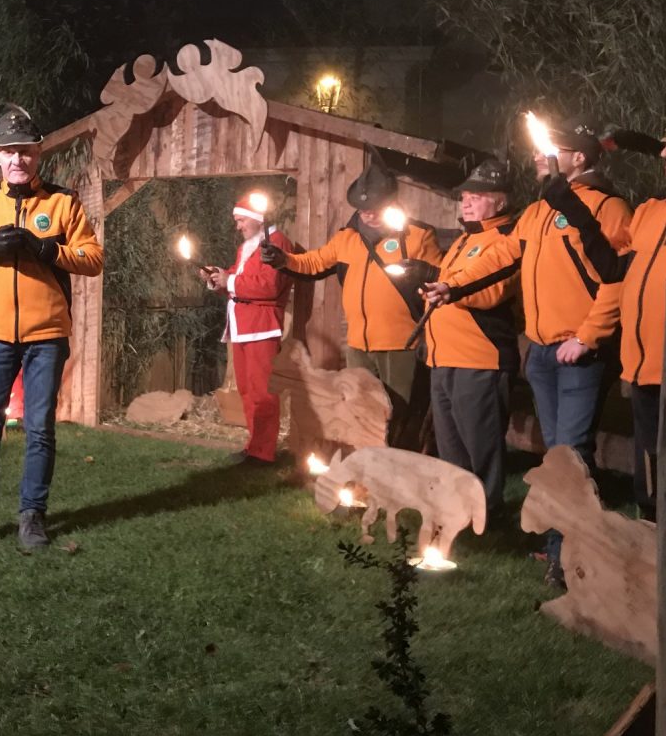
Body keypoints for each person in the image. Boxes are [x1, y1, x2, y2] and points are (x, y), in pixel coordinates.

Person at [539, 95, 666, 584]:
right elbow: (615, 269)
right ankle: (658, 596)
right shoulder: (653, 210)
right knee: (653, 494)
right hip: (648, 378)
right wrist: (570, 205)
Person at [422, 119, 631, 585]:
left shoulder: (607, 207)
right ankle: (560, 543)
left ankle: (574, 553)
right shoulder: (538, 211)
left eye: (553, 147)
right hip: (542, 353)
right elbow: (502, 258)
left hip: (580, 352)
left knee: (571, 455)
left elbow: (618, 277)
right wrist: (451, 287)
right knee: (557, 456)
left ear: (580, 157)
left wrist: (589, 336)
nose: (540, 153)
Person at [0, 105, 103, 550]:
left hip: (46, 335)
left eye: (25, 152)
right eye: (8, 152)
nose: (17, 160)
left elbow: (93, 259)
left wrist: (48, 251)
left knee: (40, 427)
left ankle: (32, 517)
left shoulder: (62, 203)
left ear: (38, 152)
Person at [260, 148, 442, 448]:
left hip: (402, 343)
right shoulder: (347, 238)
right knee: (360, 410)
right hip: (359, 344)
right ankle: (364, 469)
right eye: (362, 207)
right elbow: (314, 263)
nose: (367, 213)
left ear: (392, 203)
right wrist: (283, 260)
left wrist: (426, 271)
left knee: (400, 413)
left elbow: (443, 279)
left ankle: (399, 470)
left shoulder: (418, 237)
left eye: (375, 207)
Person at [420, 160, 520, 520]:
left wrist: (449, 289)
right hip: (444, 356)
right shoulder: (466, 239)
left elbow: (490, 292)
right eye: (465, 196)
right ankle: (459, 512)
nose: (466, 203)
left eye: (476, 197)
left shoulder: (507, 238)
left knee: (481, 446)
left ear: (500, 201)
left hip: (481, 358)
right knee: (451, 446)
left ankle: (487, 514)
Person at [202, 192, 294, 467]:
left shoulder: (276, 243)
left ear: (257, 219)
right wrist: (217, 276)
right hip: (243, 326)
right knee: (247, 389)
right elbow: (240, 277)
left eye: (241, 220)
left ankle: (263, 452)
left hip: (262, 327)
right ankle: (254, 445)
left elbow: (269, 286)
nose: (238, 226)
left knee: (262, 392)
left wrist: (230, 280)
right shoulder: (248, 247)